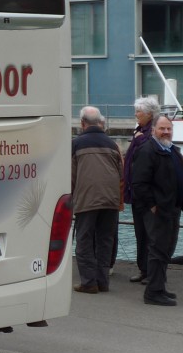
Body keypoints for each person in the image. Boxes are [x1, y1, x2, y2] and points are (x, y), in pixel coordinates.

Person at [70, 106, 124, 294]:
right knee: (105, 241)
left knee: (84, 241)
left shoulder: (76, 144)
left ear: (82, 123)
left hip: (87, 200)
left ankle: (89, 282)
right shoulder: (112, 144)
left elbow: (71, 176)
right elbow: (120, 173)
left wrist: (70, 198)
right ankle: (103, 282)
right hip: (110, 200)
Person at [131, 113, 183, 307]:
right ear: (153, 130)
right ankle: (152, 292)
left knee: (166, 250)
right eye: (162, 128)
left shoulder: (171, 150)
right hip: (158, 210)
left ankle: (159, 287)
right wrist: (153, 205)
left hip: (172, 208)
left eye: (169, 128)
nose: (166, 132)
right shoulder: (148, 151)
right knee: (158, 249)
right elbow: (139, 183)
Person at [123, 96, 160, 282]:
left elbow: (149, 154)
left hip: (147, 194)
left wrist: (138, 141)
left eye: (139, 111)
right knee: (140, 234)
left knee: (151, 235)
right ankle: (143, 269)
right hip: (137, 193)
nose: (136, 114)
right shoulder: (138, 131)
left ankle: (151, 272)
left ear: (149, 114)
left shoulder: (151, 133)